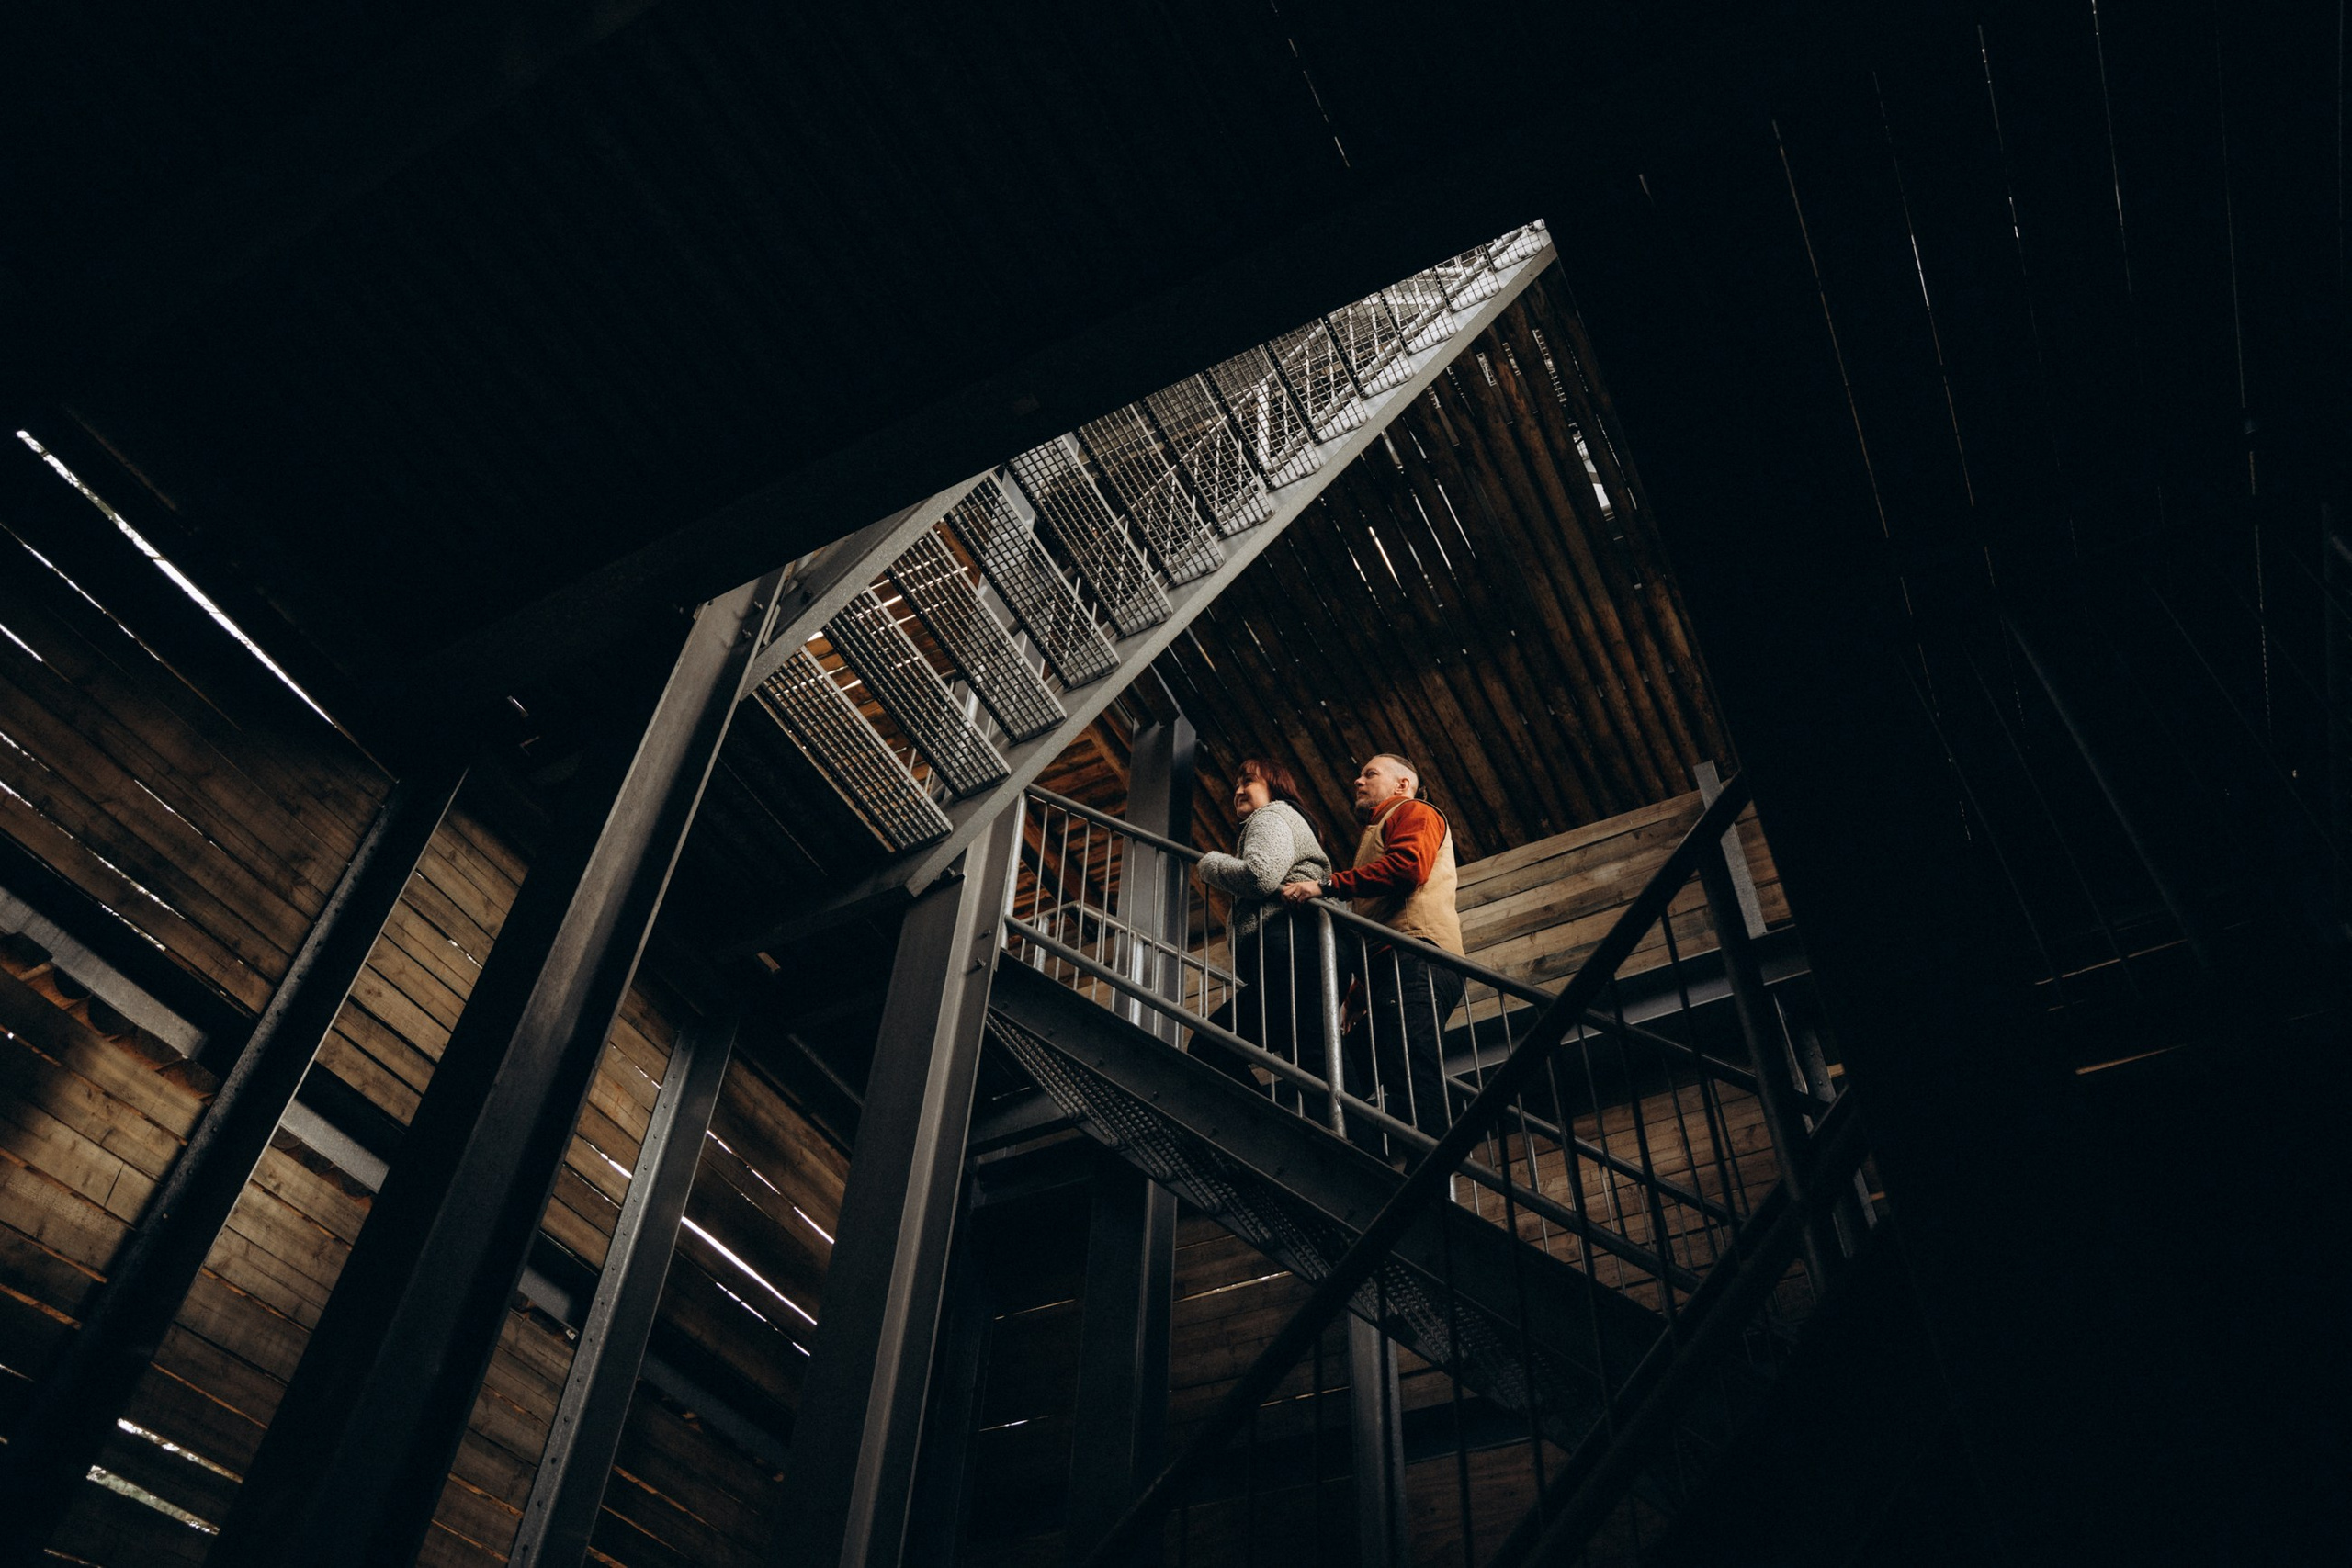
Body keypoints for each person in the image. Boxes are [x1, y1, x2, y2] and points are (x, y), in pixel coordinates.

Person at [1282, 752, 1464, 1145]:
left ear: (1403, 784)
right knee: (1351, 1074)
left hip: (1417, 957)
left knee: (1412, 1070)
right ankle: (1362, 1158)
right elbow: (1380, 914)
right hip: (1392, 967)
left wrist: (1328, 885)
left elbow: (1408, 867)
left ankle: (1430, 1183)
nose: (1357, 781)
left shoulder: (1414, 810)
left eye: (1370, 774)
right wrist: (1359, 992)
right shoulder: (1382, 827)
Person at [1193, 758, 1331, 1097]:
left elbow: (1259, 875)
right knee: (1314, 1062)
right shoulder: (1289, 821)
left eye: (1248, 782)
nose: (1238, 790)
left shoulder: (1271, 815)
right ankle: (1353, 1141)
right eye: (1236, 785)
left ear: (1275, 786)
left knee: (1210, 1047)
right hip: (1306, 949)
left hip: (1292, 945)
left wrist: (1209, 864)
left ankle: (1275, 1132)